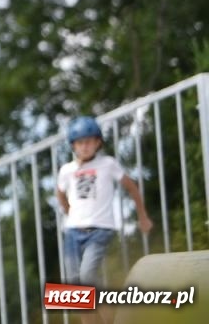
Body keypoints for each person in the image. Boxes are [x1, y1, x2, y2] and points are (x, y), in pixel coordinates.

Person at [55, 115, 154, 292]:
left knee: (87, 275)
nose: (85, 146)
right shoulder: (67, 170)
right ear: (73, 145)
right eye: (80, 143)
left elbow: (132, 187)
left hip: (100, 229)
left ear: (98, 143)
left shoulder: (108, 164)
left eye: (89, 142)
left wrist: (142, 216)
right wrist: (69, 211)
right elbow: (60, 193)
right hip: (73, 231)